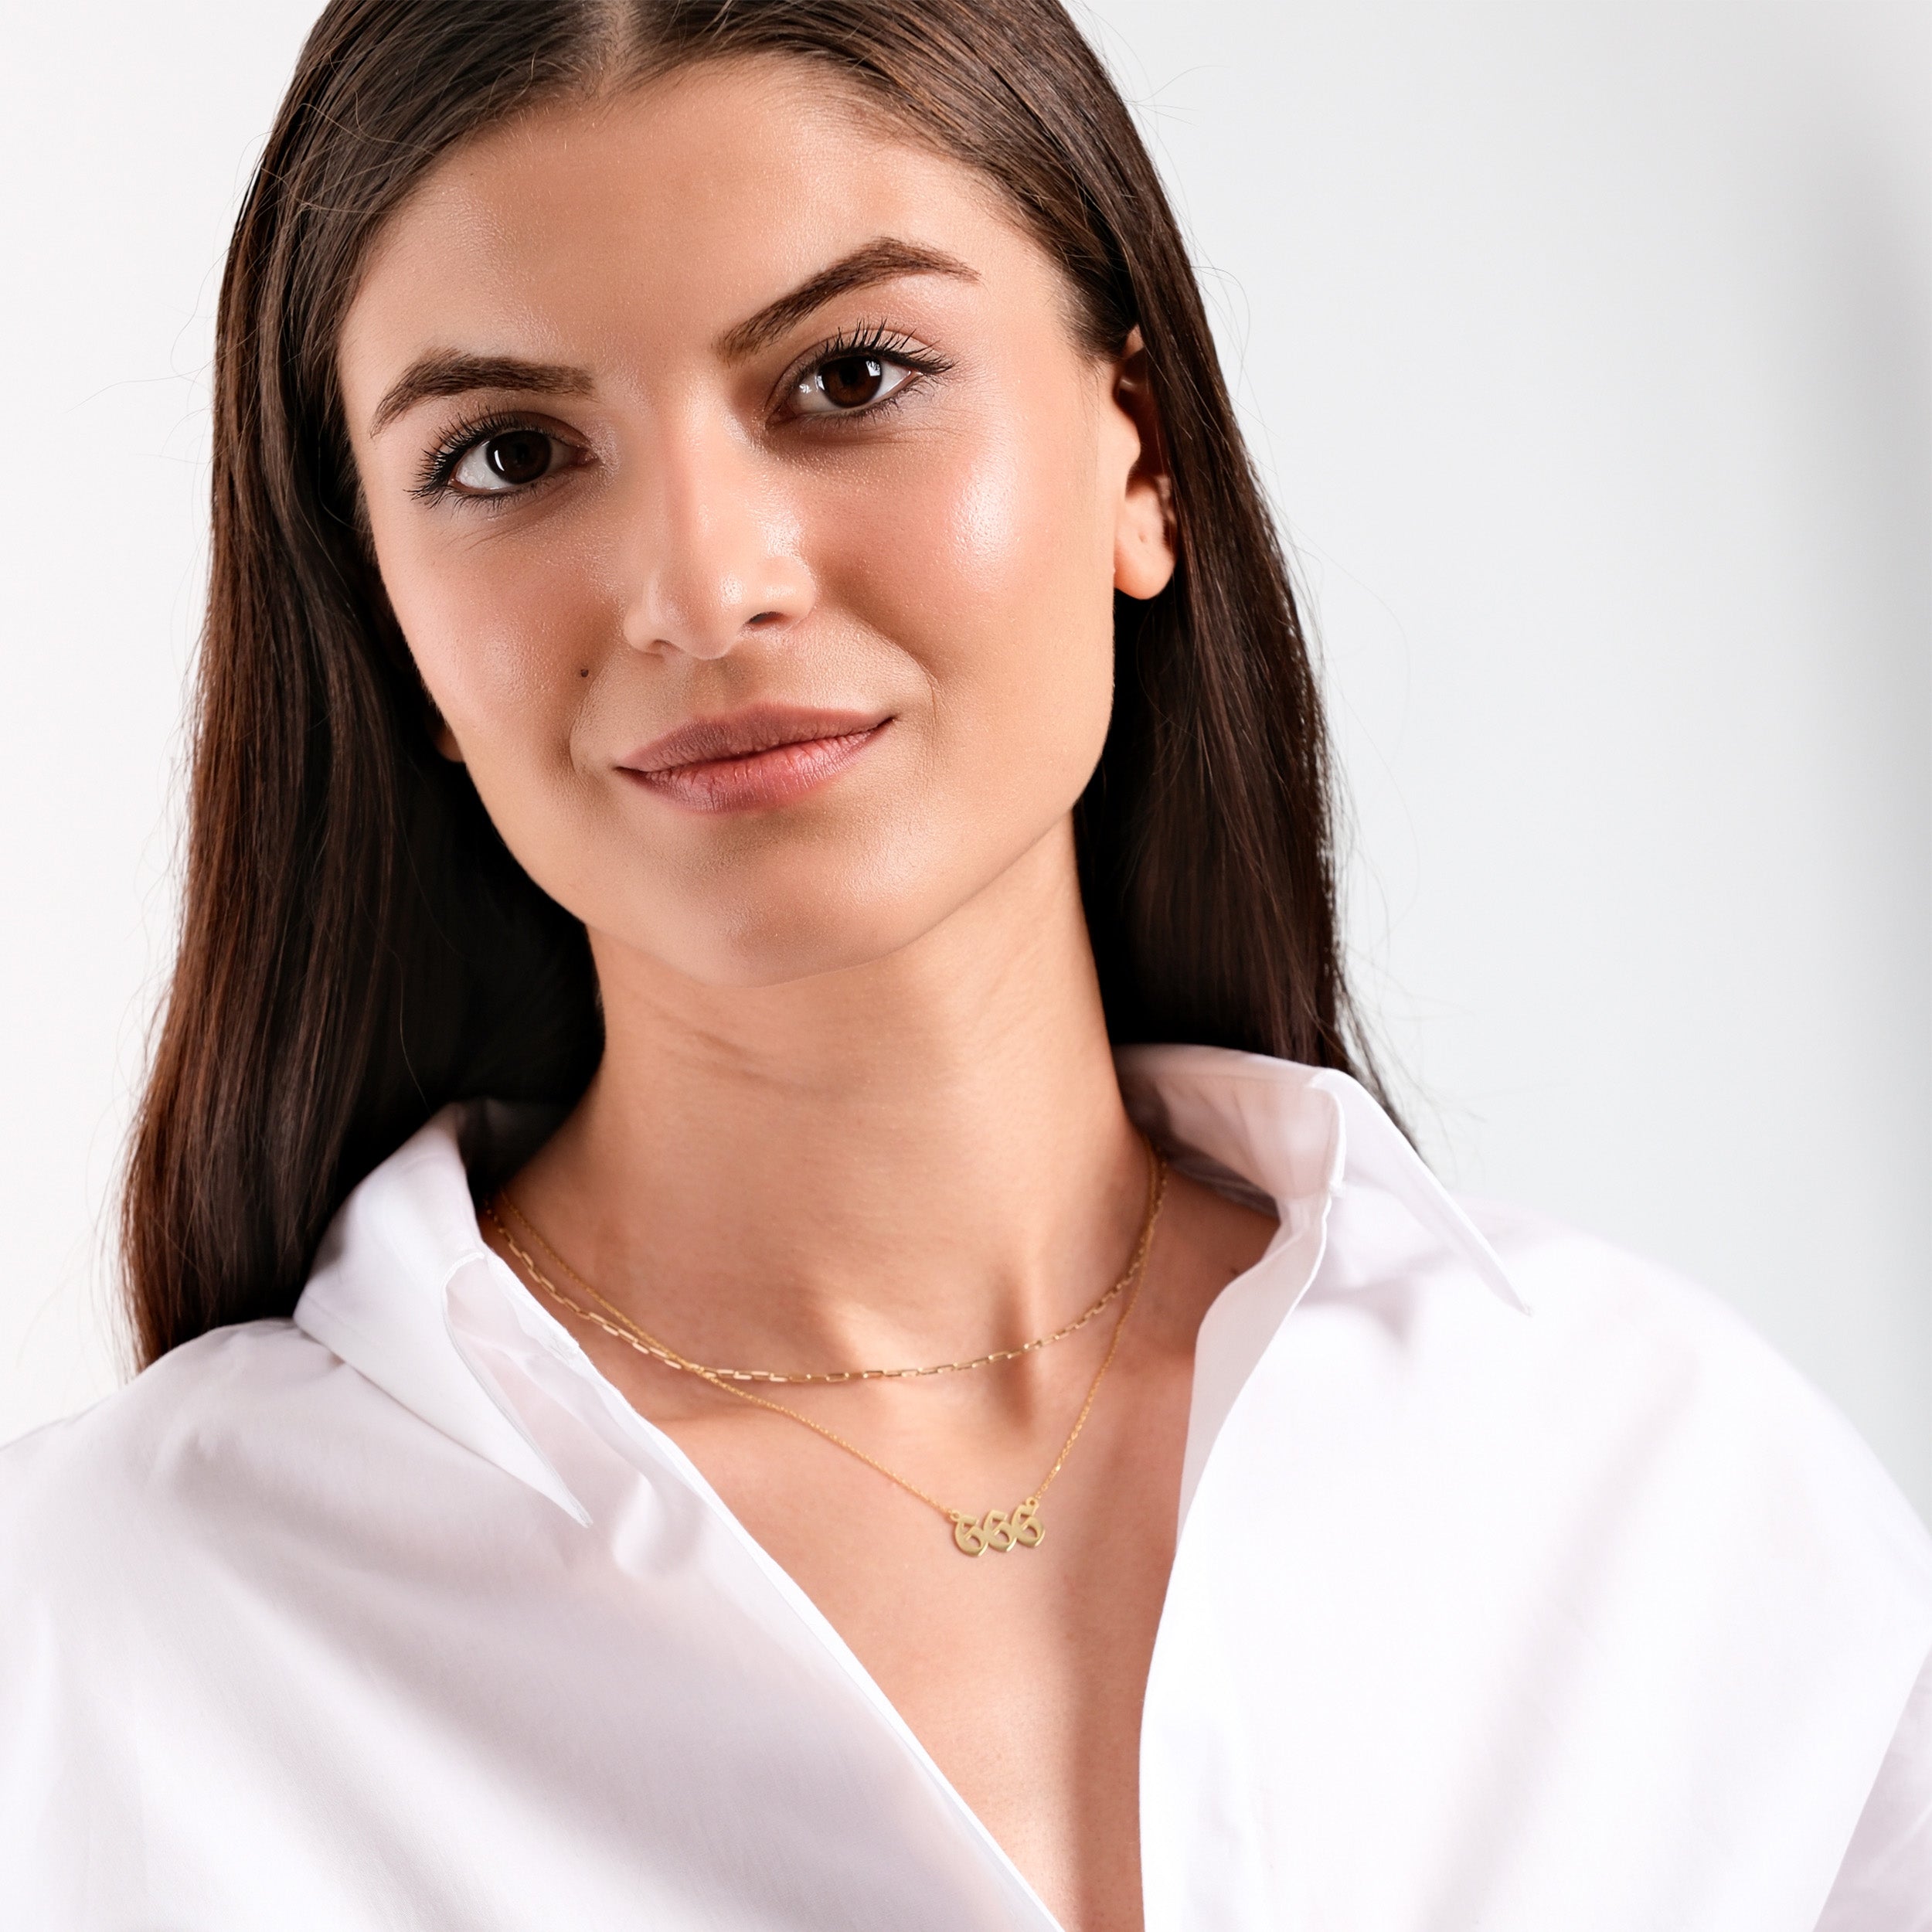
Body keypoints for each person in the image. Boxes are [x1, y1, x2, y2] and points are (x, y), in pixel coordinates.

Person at [2, 2, 1927, 1926]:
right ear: (383, 618)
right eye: (508, 453)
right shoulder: (108, 1639)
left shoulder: (1667, 1492)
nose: (703, 584)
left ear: (1139, 457)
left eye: (847, 375)